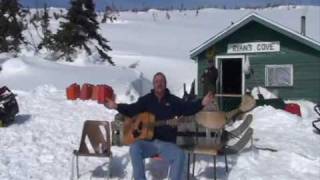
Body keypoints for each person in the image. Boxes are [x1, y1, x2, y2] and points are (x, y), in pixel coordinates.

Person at [105, 72, 214, 180]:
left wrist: (202, 103)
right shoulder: (146, 100)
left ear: (165, 84)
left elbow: (188, 108)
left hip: (167, 144)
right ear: (153, 84)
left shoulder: (174, 101)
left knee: (180, 154)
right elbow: (132, 109)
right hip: (148, 143)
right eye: (156, 81)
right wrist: (116, 106)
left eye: (161, 81)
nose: (159, 83)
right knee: (135, 148)